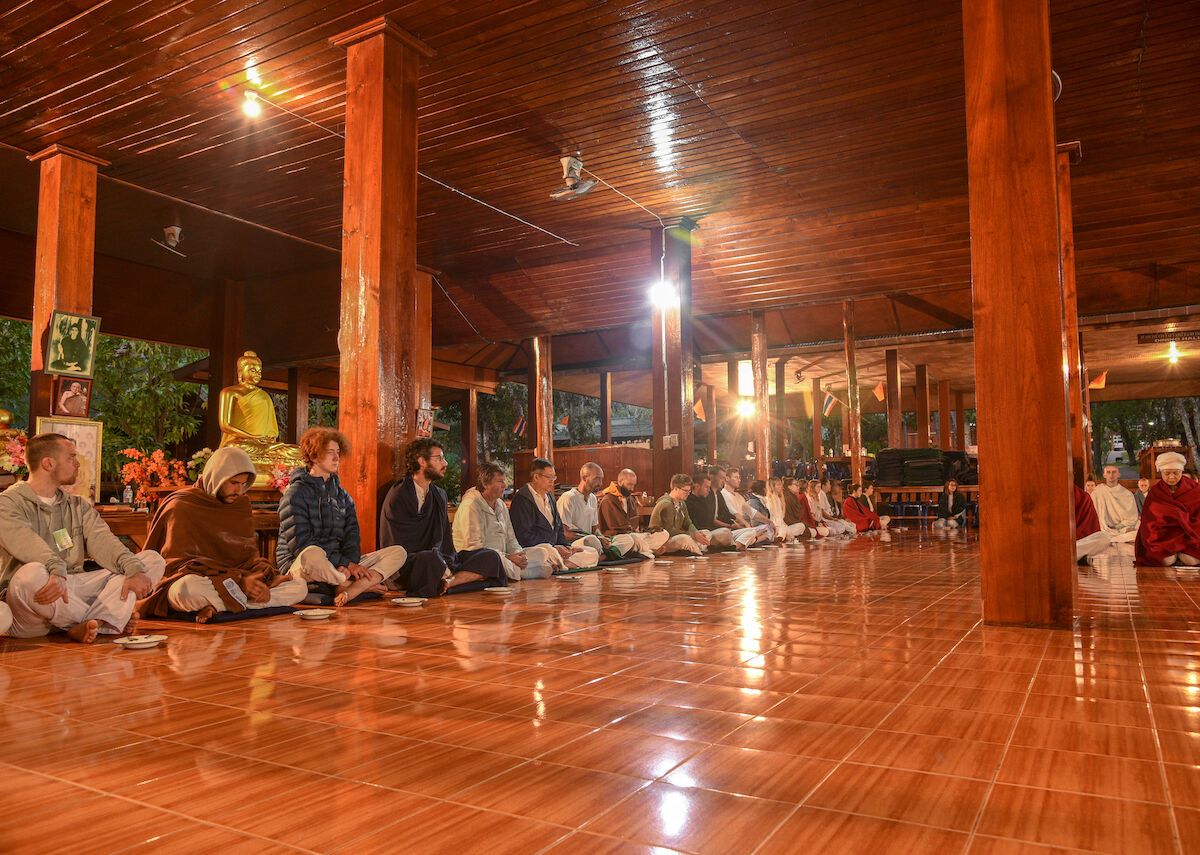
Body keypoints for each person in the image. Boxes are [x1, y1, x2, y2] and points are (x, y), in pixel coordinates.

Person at [0, 433, 164, 641]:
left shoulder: (77, 506)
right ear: (48, 463)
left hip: (73, 587)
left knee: (150, 560)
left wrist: (132, 569)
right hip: (35, 605)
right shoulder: (7, 503)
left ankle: (92, 623)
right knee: (29, 575)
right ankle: (107, 621)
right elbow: (26, 542)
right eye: (71, 457)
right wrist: (56, 569)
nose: (77, 464)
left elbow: (103, 541)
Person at [141, 447, 308, 622]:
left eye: (244, 484)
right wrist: (239, 582)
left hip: (235, 582)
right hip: (202, 580)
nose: (239, 490)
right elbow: (175, 566)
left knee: (299, 586)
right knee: (185, 590)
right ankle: (239, 602)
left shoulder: (240, 504)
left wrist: (257, 580)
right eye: (234, 483)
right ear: (217, 477)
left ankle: (223, 606)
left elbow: (248, 559)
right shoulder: (181, 505)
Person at [276, 428, 407, 605]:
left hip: (340, 565)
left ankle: (351, 587)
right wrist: (346, 565)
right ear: (313, 456)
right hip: (303, 564)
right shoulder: (294, 494)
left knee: (398, 552)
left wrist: (350, 563)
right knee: (312, 553)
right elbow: (301, 544)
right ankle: (352, 583)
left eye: (338, 452)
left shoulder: (343, 495)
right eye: (330, 453)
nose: (337, 458)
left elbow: (352, 537)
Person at [380, 438, 509, 594]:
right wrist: (438, 560)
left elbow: (444, 539)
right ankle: (450, 578)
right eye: (439, 458)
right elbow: (397, 544)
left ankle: (449, 582)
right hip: (410, 563)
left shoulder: (439, 495)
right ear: (421, 461)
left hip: (439, 559)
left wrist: (446, 562)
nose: (445, 463)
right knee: (429, 559)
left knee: (490, 556)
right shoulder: (399, 494)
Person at [454, 462, 563, 580]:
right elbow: (474, 548)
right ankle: (524, 573)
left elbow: (511, 539)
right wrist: (508, 558)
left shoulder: (500, 504)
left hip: (505, 557)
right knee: (494, 559)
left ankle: (522, 570)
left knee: (543, 551)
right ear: (485, 484)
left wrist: (518, 555)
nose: (505, 486)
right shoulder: (471, 506)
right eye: (500, 481)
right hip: (481, 559)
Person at [508, 457, 600, 569]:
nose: (553, 481)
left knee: (591, 551)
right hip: (535, 550)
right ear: (536, 477)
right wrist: (554, 547)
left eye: (554, 477)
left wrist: (566, 547)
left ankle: (561, 564)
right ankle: (561, 564)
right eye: (549, 477)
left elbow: (559, 528)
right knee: (547, 552)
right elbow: (523, 536)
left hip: (555, 549)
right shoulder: (522, 499)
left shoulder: (550, 497)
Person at [1135, 452, 1200, 567]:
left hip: (1189, 537)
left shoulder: (1195, 489)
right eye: (1167, 473)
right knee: (1165, 561)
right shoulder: (1155, 492)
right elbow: (1149, 522)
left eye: (1176, 473)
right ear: (1161, 472)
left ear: (1182, 472)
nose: (1171, 477)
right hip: (1164, 538)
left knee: (1192, 561)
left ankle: (1181, 553)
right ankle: (1176, 555)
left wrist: (1185, 526)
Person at [595, 468, 678, 555]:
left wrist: (648, 530)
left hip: (634, 535)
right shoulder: (608, 500)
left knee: (663, 534)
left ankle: (643, 550)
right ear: (620, 482)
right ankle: (651, 552)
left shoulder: (630, 498)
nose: (632, 488)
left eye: (634, 485)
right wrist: (632, 533)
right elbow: (613, 529)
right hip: (619, 537)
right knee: (632, 538)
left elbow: (635, 525)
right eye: (630, 484)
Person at [686, 473, 755, 549]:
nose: (709, 490)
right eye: (706, 487)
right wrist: (729, 526)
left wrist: (736, 524)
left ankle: (733, 547)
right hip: (703, 534)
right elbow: (692, 524)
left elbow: (725, 515)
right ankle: (728, 546)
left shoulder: (709, 498)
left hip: (714, 532)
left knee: (751, 531)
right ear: (696, 486)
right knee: (723, 532)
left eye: (709, 487)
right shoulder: (688, 502)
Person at [646, 474, 707, 554]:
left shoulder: (682, 503)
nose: (688, 493)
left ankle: (697, 549)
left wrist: (696, 532)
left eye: (689, 491)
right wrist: (693, 535)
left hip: (674, 537)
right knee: (686, 539)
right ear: (675, 489)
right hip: (661, 541)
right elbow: (669, 530)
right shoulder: (666, 504)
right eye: (685, 491)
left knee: (705, 533)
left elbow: (688, 523)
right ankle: (699, 556)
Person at [721, 468, 775, 541]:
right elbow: (735, 514)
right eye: (736, 477)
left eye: (739, 478)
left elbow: (752, 512)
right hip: (733, 528)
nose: (739, 480)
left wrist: (769, 521)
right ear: (727, 478)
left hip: (745, 529)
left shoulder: (738, 496)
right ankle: (751, 540)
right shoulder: (723, 494)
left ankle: (753, 540)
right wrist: (747, 525)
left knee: (769, 528)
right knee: (751, 532)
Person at [1090, 465, 1140, 543]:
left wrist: (1118, 526)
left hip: (1122, 528)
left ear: (1118, 475)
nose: (1111, 475)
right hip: (1103, 528)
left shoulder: (1127, 494)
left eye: (1114, 472)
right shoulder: (1097, 492)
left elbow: (1132, 518)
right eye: (1108, 472)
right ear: (1104, 475)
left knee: (1135, 533)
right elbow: (1092, 514)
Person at [1075, 482, 1112, 564]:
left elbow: (1089, 528)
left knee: (1104, 538)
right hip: (1045, 544)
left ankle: (1070, 555)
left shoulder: (1082, 496)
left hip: (1073, 543)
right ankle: (1074, 556)